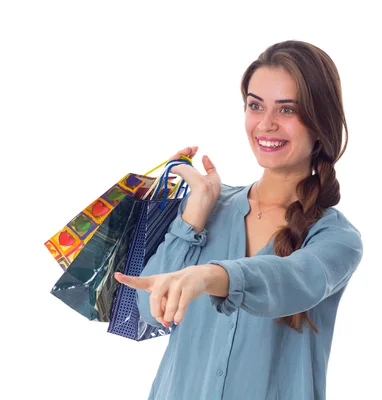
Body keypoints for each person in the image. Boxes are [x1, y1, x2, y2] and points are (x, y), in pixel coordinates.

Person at [115, 39, 363, 400]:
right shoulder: (209, 210)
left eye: (287, 110)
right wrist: (194, 214)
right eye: (255, 105)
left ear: (319, 121)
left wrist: (212, 276)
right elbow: (152, 312)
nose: (266, 124)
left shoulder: (336, 238)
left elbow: (294, 281)